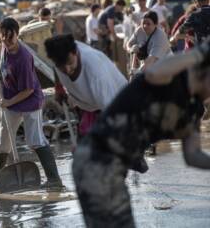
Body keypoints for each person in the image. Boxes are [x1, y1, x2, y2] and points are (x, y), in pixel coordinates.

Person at [73, 42, 210, 228]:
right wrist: (202, 50)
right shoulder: (170, 78)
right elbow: (152, 73)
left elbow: (192, 155)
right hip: (95, 157)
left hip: (114, 168)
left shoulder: (193, 110)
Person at [0, 18, 62, 189]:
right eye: (3, 37)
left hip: (29, 102)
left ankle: (54, 179)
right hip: (10, 101)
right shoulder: (5, 42)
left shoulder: (24, 58)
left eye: (10, 37)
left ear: (17, 35)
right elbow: (1, 36)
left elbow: (27, 90)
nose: (6, 41)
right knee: (3, 140)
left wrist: (8, 102)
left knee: (35, 139)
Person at [44, 34, 127, 139]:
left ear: (75, 52)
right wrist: (58, 87)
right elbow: (56, 67)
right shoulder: (59, 54)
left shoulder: (95, 72)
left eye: (70, 63)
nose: (67, 70)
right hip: (88, 106)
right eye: (61, 66)